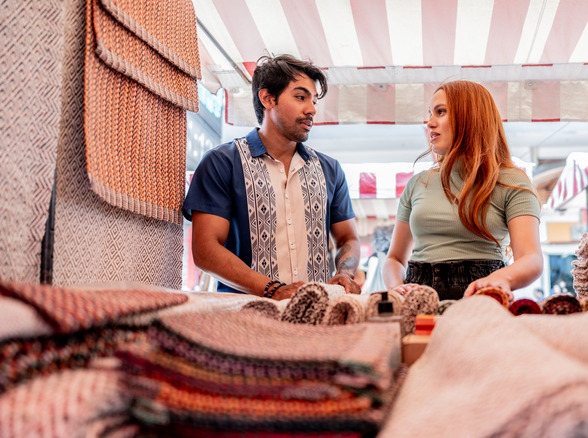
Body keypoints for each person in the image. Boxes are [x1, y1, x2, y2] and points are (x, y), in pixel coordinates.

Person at [183, 54, 361, 300]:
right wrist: (273, 289)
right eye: (300, 97)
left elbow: (347, 237)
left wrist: (345, 273)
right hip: (245, 318)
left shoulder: (330, 170)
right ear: (267, 98)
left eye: (314, 101)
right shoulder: (221, 163)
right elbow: (205, 250)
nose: (311, 109)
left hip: (318, 318)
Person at [383, 80, 543, 300]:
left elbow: (531, 259)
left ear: (470, 117)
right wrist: (395, 286)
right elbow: (394, 259)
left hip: (480, 297)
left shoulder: (512, 181)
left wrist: (502, 278)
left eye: (441, 112)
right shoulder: (417, 183)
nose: (429, 123)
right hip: (418, 299)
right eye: (430, 113)